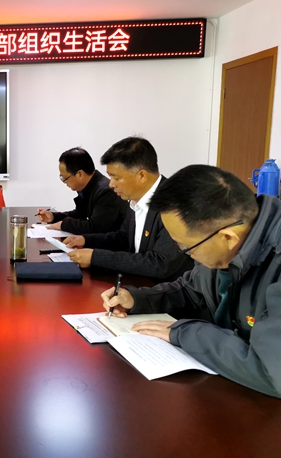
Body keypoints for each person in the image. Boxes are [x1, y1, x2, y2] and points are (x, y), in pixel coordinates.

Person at [102, 165, 281, 398]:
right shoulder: (227, 238)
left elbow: (272, 372)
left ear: (228, 238)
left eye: (185, 247)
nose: (184, 253)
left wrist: (186, 333)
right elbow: (191, 290)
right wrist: (137, 299)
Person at [65, 137, 193, 283]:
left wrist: (96, 258)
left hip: (165, 291)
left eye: (116, 178)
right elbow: (123, 238)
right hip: (137, 284)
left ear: (142, 176)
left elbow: (160, 264)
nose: (111, 184)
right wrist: (86, 240)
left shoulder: (173, 204)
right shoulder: (135, 199)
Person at [37, 147, 128, 234]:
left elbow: (96, 228)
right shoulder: (87, 186)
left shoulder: (105, 192)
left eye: (65, 178)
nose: (64, 182)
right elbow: (80, 214)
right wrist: (54, 217)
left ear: (80, 174)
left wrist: (64, 225)